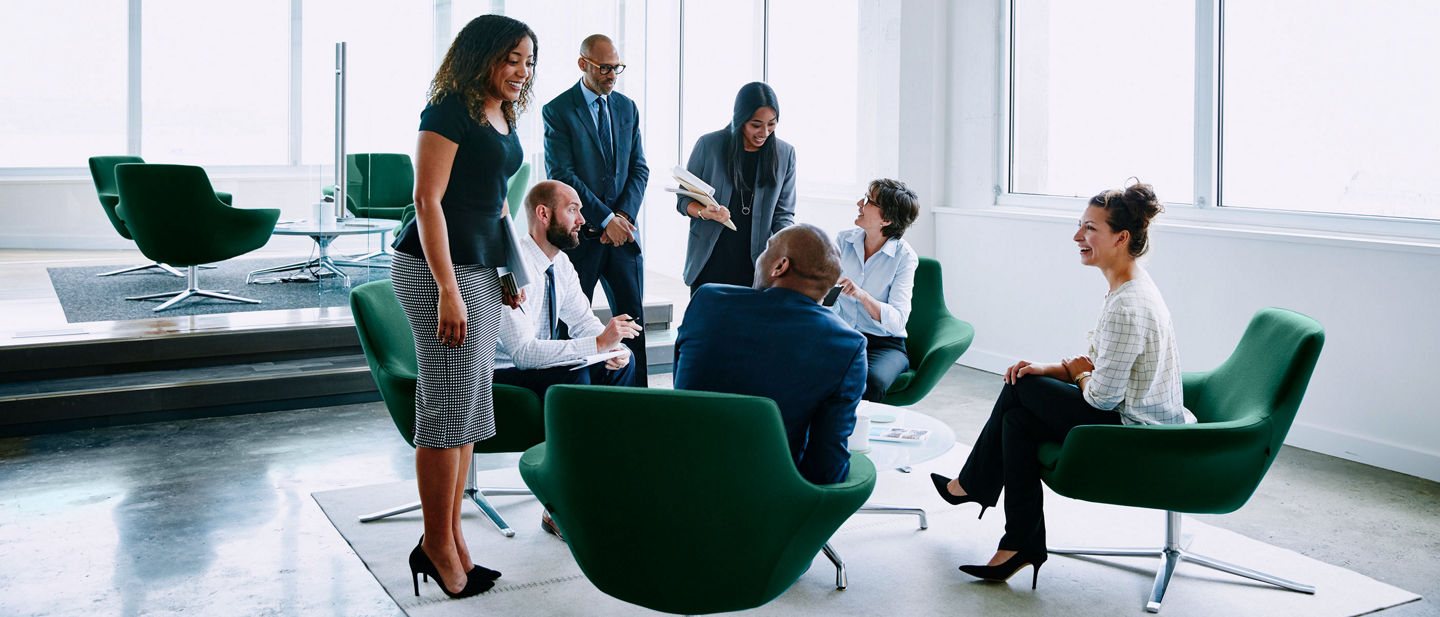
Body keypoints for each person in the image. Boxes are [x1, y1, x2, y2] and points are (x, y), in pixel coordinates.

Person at [928, 181, 1195, 589]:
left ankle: (975, 485)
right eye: (1080, 226)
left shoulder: (1128, 304)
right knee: (1017, 416)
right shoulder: (1127, 287)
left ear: (1121, 238)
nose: (1077, 237)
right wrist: (1054, 368)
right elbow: (1096, 367)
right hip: (1125, 414)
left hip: (1136, 433)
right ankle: (1020, 543)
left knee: (1020, 389)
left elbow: (1102, 396)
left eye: (1090, 228)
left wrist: (1074, 372)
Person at [387, 14, 536, 600]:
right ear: (482, 57)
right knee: (446, 403)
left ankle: (451, 540)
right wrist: (448, 288)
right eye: (511, 59)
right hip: (434, 269)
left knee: (469, 404)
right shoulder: (448, 109)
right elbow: (427, 200)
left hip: (479, 267)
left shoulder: (503, 111)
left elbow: (498, 202)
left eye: (527, 60)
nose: (521, 71)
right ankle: (437, 546)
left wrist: (510, 269)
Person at [673, 224, 865, 485]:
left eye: (766, 249)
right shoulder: (847, 345)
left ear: (780, 266)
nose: (759, 257)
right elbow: (826, 466)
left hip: (677, 474)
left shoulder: (707, 300)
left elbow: (680, 391)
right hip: (769, 497)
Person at [541, 34, 651, 386]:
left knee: (633, 325)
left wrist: (622, 220)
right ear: (582, 64)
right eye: (604, 68)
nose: (611, 75)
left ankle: (638, 405)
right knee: (569, 325)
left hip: (623, 238)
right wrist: (605, 218)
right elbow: (563, 175)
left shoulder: (627, 108)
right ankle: (572, 403)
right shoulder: (557, 111)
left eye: (616, 67)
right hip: (580, 239)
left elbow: (639, 169)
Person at [493, 180, 640, 401]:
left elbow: (582, 322)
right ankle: (579, 436)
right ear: (543, 214)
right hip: (505, 372)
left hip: (541, 365)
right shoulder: (512, 267)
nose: (581, 220)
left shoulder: (561, 263)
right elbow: (523, 353)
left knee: (622, 361)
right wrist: (599, 343)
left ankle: (613, 435)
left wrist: (613, 347)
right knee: (574, 377)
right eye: (572, 210)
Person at [676, 81, 796, 295]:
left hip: (756, 264)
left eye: (772, 124)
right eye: (756, 124)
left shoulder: (785, 154)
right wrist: (705, 212)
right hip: (710, 260)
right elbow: (683, 201)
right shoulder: (708, 146)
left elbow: (784, 215)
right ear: (740, 119)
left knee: (749, 328)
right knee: (708, 326)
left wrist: (790, 250)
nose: (764, 132)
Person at [832, 178, 921, 402]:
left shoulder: (904, 257)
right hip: (842, 336)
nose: (859, 204)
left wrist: (861, 295)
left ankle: (856, 435)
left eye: (869, 201)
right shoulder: (843, 240)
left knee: (871, 380)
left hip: (883, 345)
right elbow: (828, 295)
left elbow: (898, 320)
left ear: (887, 219)